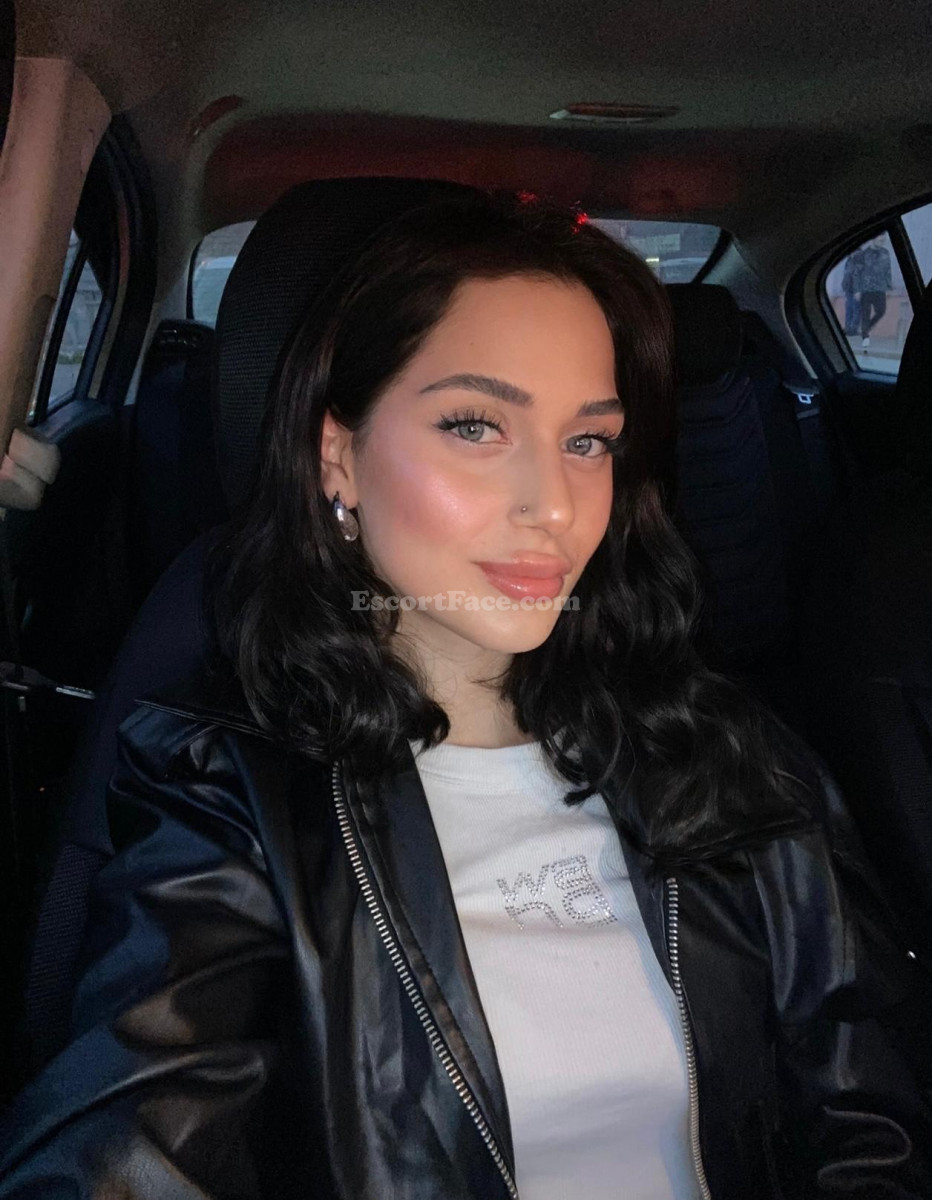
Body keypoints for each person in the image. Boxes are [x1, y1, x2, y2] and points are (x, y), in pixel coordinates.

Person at [0, 189, 930, 1199]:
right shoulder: (228, 796)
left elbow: (869, 1124)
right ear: (337, 456)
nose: (553, 505)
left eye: (588, 441)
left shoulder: (726, 753)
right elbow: (130, 1145)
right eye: (477, 426)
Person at [855, 233, 893, 350]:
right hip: (865, 289)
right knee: (865, 314)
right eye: (880, 239)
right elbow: (857, 273)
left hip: (880, 289)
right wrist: (857, 290)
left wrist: (889, 288)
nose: (882, 241)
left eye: (883, 240)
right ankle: (865, 338)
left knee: (881, 311)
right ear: (873, 239)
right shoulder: (863, 254)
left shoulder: (885, 253)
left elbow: (888, 271)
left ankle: (866, 328)